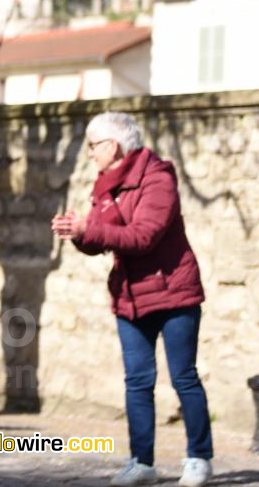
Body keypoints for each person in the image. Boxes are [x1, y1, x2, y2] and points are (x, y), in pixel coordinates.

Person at [51, 112, 213, 487]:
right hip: (130, 296)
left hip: (174, 291)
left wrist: (89, 227)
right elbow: (101, 239)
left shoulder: (158, 177)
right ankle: (142, 462)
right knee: (137, 381)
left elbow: (144, 236)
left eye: (93, 146)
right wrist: (77, 233)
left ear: (113, 146)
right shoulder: (105, 184)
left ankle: (199, 459)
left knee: (184, 377)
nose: (89, 154)